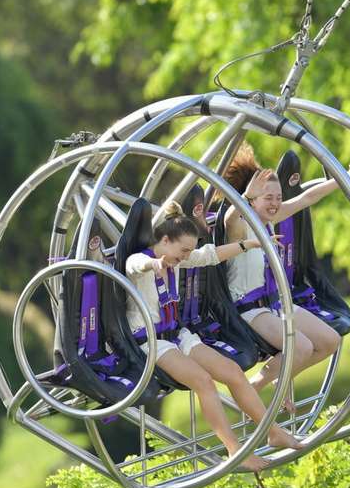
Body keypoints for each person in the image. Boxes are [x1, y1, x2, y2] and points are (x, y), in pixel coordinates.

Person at [124, 200, 302, 471]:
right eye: (183, 250)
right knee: (204, 382)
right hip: (151, 341)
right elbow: (136, 264)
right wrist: (154, 263)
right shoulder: (140, 261)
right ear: (165, 240)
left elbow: (211, 255)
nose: (186, 256)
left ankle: (273, 431)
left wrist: (251, 244)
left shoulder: (179, 259)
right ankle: (234, 450)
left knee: (232, 372)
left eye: (188, 251)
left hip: (178, 335)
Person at [221, 143, 350, 409]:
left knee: (330, 341)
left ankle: (280, 381)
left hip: (275, 304)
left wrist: (343, 180)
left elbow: (306, 198)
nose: (275, 203)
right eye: (268, 198)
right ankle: (254, 387)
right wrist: (246, 197)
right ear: (253, 199)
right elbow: (230, 218)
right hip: (250, 309)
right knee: (302, 347)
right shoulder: (240, 227)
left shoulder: (270, 220)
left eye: (278, 197)